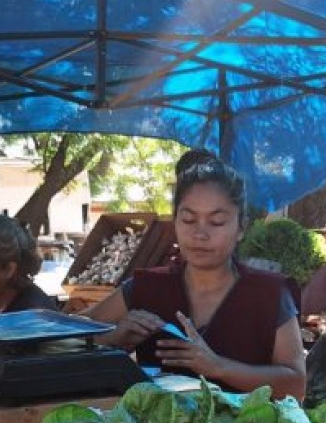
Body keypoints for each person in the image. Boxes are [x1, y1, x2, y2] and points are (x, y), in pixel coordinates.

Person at [89, 156, 307, 400]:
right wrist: (112, 338)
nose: (200, 233)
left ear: (241, 228)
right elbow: (61, 339)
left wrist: (218, 367)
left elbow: (296, 386)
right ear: (175, 222)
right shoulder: (147, 287)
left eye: (217, 222)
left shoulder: (269, 293)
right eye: (189, 219)